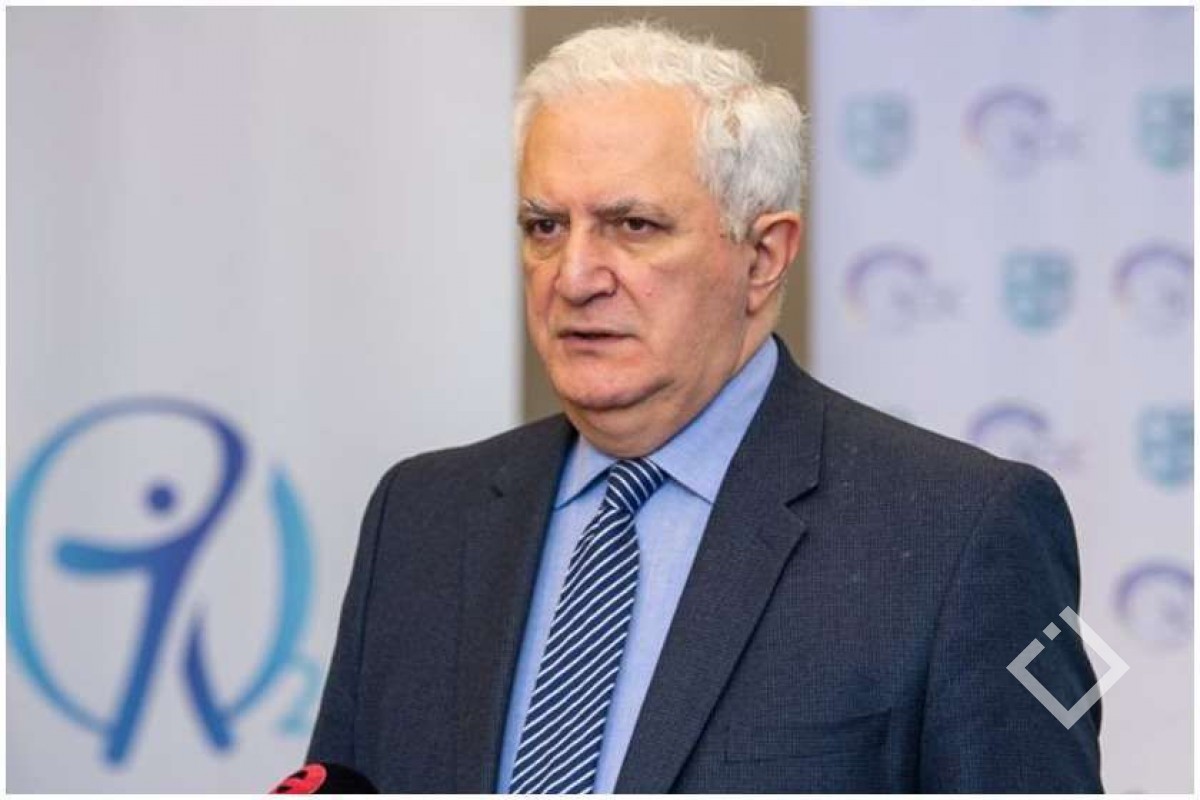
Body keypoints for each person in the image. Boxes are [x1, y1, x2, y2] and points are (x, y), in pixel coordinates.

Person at [306, 22, 1102, 793]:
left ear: (763, 257)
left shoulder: (963, 532)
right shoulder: (420, 518)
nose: (573, 276)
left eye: (633, 226)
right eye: (545, 226)